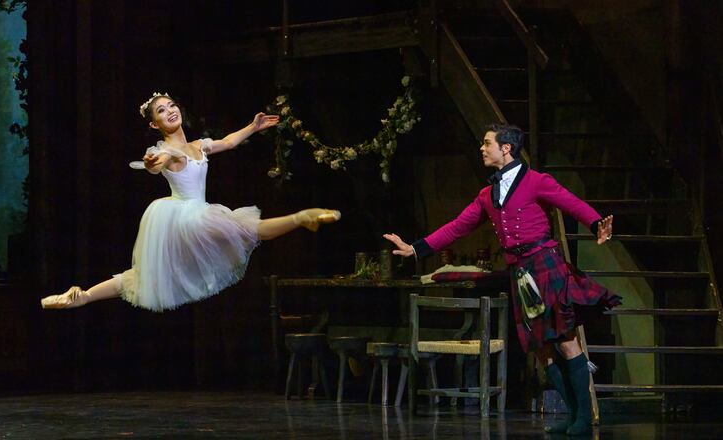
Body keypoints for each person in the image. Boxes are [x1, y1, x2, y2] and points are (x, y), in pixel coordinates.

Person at [383, 124, 620, 436]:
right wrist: (416, 249)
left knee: (565, 342)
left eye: (487, 143)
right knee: (541, 348)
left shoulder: (536, 181)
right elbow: (458, 226)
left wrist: (595, 223)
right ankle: (573, 413)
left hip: (544, 264)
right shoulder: (487, 195)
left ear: (506, 148)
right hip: (520, 272)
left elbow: (569, 201)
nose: (482, 149)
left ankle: (583, 418)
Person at [41, 92, 340, 312]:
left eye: (171, 105)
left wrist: (253, 126)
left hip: (191, 217)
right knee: (248, 229)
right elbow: (158, 164)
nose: (170, 111)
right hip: (186, 217)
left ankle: (82, 297)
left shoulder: (197, 146)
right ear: (155, 124)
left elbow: (228, 142)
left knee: (144, 276)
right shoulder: (166, 151)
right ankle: (301, 218)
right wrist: (151, 163)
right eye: (161, 110)